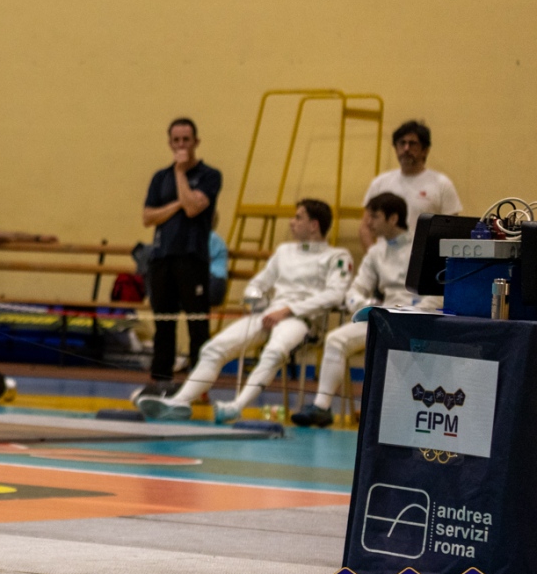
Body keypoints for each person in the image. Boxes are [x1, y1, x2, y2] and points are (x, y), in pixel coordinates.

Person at [138, 199, 351, 424]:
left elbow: (335, 294)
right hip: (268, 314)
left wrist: (288, 310)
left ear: (314, 225)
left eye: (298, 218)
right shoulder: (284, 251)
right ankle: (179, 402)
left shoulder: (337, 257)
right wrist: (255, 301)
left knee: (274, 352)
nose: (292, 222)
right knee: (213, 348)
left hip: (301, 320)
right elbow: (258, 284)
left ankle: (237, 406)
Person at [293, 193, 436, 427]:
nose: (368, 223)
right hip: (384, 317)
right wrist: (366, 306)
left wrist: (417, 313)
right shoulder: (376, 252)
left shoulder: (422, 247)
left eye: (375, 216)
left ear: (393, 218)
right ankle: (322, 407)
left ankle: (395, 415)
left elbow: (437, 293)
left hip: (416, 320)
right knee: (336, 340)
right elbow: (355, 290)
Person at [138, 118, 223, 398]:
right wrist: (176, 203)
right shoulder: (159, 177)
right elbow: (147, 217)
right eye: (176, 140)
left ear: (196, 142)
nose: (181, 145)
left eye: (186, 140)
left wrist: (180, 173)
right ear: (169, 143)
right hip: (162, 257)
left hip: (192, 258)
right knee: (164, 323)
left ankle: (199, 385)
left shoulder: (210, 175)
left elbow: (192, 208)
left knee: (197, 324)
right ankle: (161, 381)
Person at [361, 120, 462, 249]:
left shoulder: (442, 184)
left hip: (424, 258)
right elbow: (365, 227)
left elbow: (452, 230)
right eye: (402, 143)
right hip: (386, 258)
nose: (406, 149)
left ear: (425, 150)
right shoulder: (380, 183)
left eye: (412, 143)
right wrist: (375, 257)